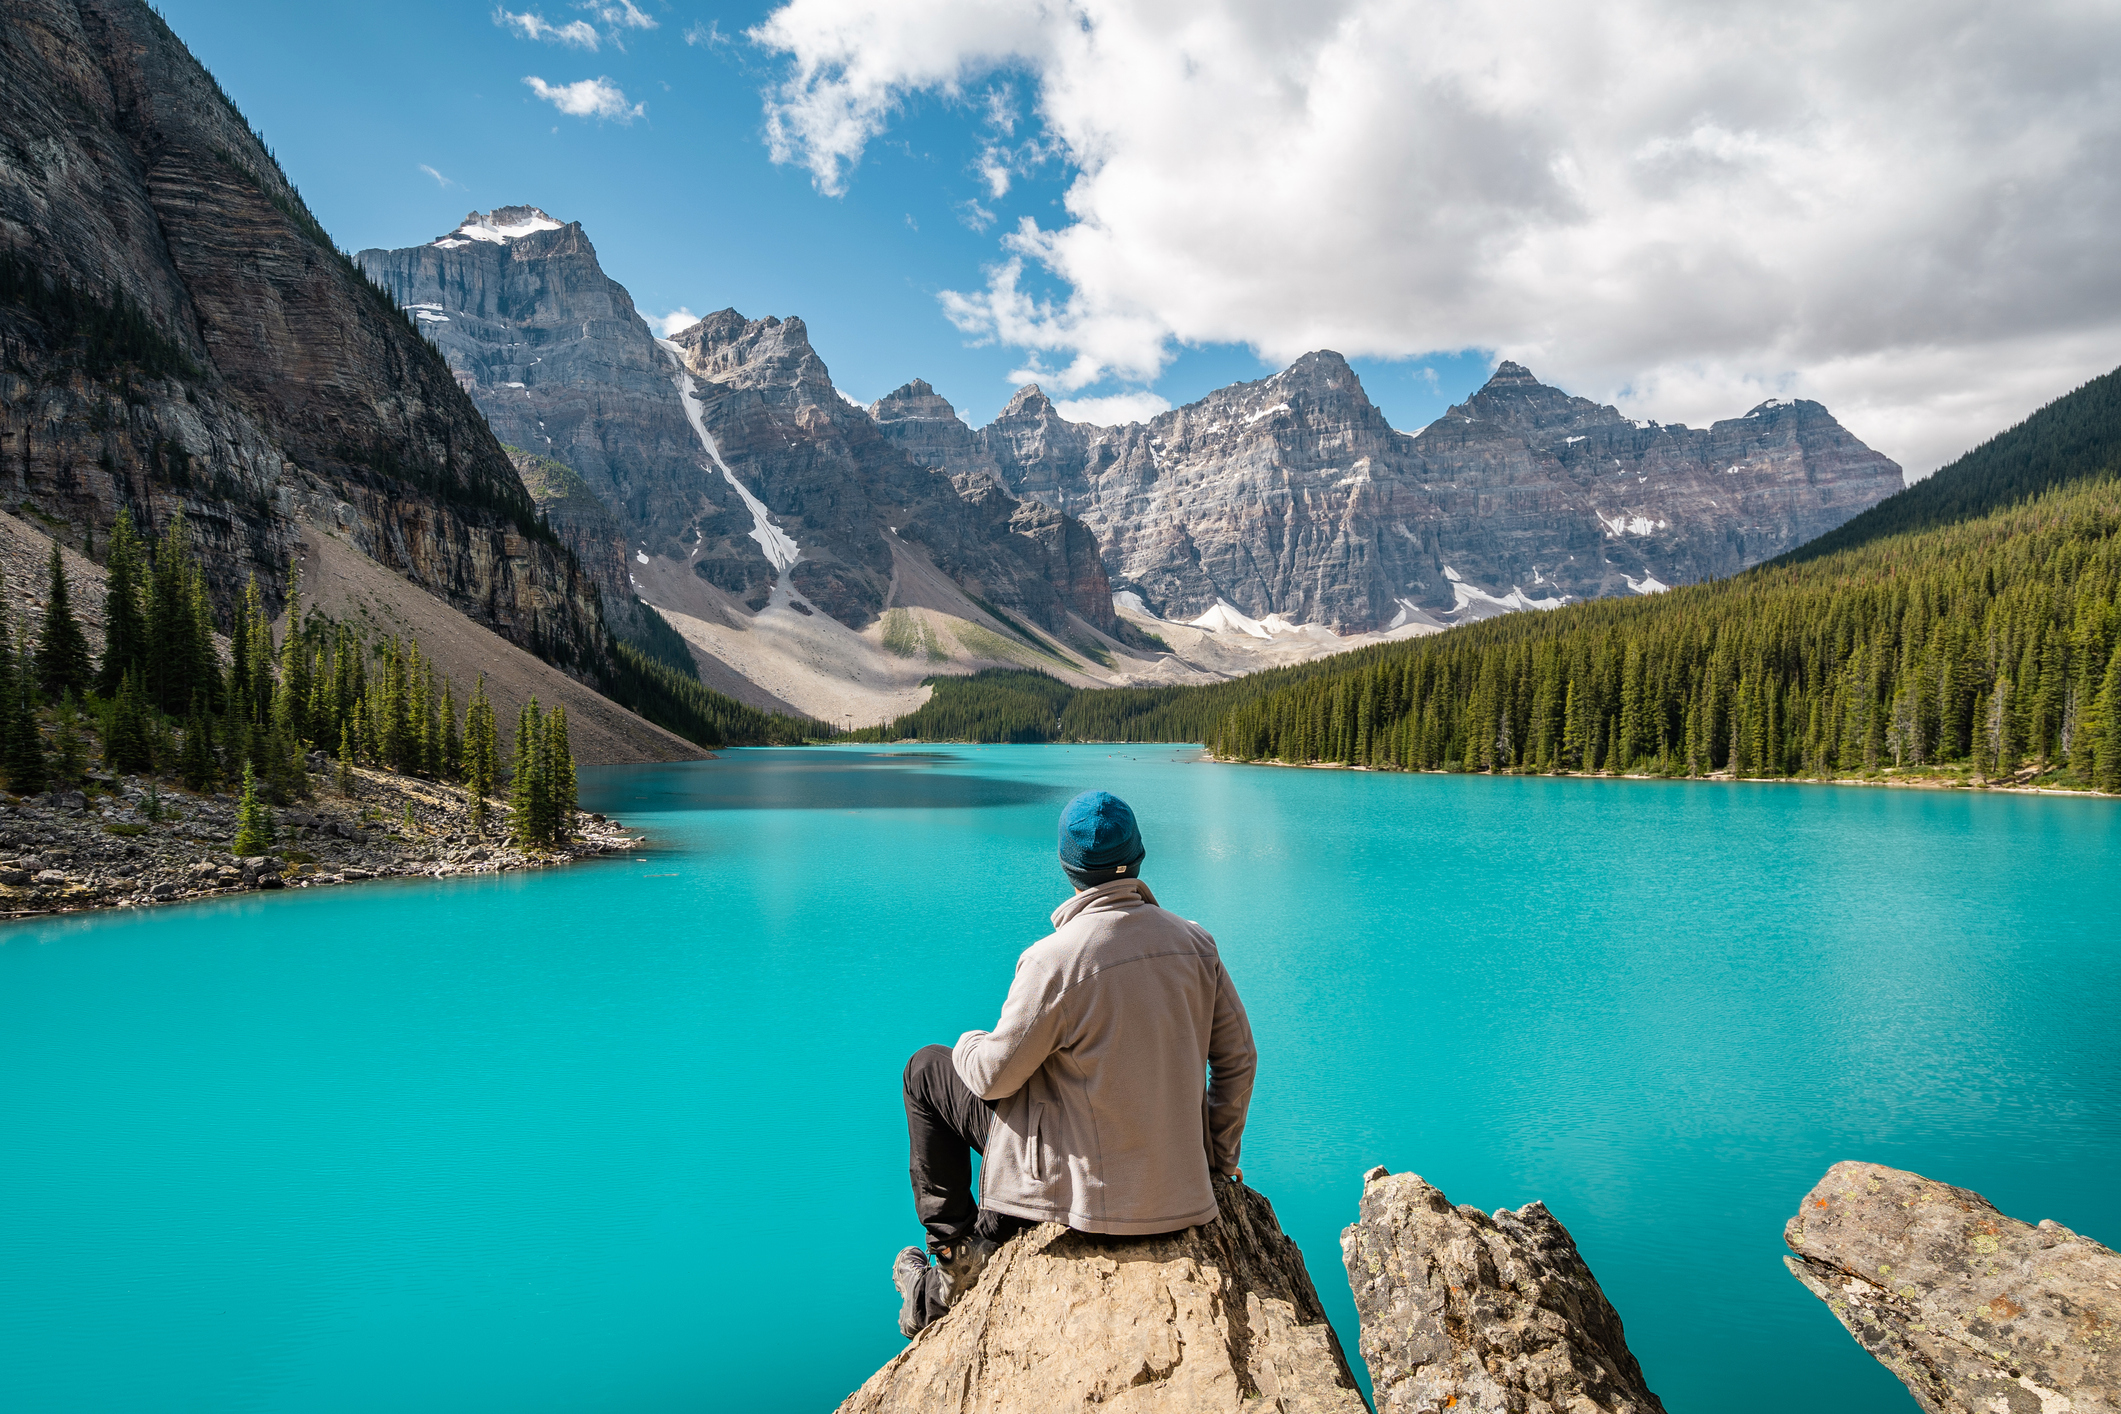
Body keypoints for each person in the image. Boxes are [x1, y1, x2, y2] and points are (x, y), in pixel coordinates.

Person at [891, 789, 1257, 1338]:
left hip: (1086, 1205)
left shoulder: (1054, 960)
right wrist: (1216, 1162)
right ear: (1137, 859)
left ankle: (954, 1251)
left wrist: (970, 1040)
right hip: (1182, 1195)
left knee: (926, 1069)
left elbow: (992, 1078)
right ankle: (986, 1232)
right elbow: (1238, 1062)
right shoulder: (1196, 944)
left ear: (1068, 868)